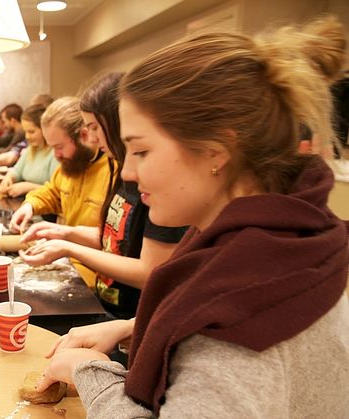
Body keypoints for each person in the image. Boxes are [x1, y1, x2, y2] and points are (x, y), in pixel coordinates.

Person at [37, 17, 349, 417]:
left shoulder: (233, 322)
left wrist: (90, 373)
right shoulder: (290, 237)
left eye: (142, 151)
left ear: (216, 151)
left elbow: (219, 352)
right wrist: (135, 327)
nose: (128, 172)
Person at [19, 73, 187, 319]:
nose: (92, 138)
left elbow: (150, 272)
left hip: (133, 314)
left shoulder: (155, 180)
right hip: (108, 304)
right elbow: (116, 240)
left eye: (94, 128)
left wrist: (69, 247)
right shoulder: (119, 168)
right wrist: (64, 233)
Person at [9, 97, 112, 286]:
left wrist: (66, 234)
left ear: (83, 135)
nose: (56, 155)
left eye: (59, 147)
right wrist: (29, 206)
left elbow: (113, 239)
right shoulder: (69, 166)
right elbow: (52, 192)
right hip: (69, 262)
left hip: (99, 274)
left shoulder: (114, 172)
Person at [0, 104, 59, 197]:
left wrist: (28, 187)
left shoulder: (56, 153)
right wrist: (9, 177)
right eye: (25, 131)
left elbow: (56, 190)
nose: (27, 136)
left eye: (31, 132)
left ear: (44, 130)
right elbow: (17, 171)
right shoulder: (30, 149)